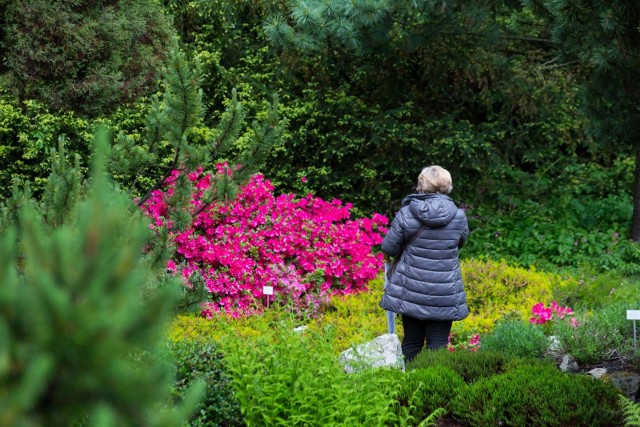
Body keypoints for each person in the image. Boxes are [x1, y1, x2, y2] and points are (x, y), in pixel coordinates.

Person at [380, 165, 469, 362]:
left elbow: (389, 248)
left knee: (411, 342)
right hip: (444, 291)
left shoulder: (406, 213)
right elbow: (460, 243)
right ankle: (434, 388)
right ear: (448, 186)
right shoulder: (459, 216)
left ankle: (405, 388)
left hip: (411, 289)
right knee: (438, 345)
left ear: (421, 186)